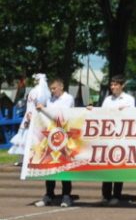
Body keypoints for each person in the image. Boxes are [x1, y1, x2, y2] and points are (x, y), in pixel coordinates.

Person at [33, 78, 75, 207]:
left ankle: (66, 196)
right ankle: (49, 194)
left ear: (61, 87)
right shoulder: (50, 100)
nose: (52, 91)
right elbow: (46, 118)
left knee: (64, 166)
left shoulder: (68, 99)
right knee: (49, 164)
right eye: (51, 89)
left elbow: (61, 117)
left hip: (65, 136)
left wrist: (44, 109)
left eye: (54, 88)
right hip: (51, 136)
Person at [98, 74, 135, 205]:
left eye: (115, 84)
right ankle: (106, 194)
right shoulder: (107, 100)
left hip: (122, 137)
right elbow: (101, 115)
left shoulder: (129, 99)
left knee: (118, 166)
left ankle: (117, 194)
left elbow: (132, 116)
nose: (113, 87)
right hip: (108, 136)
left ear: (122, 85)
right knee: (106, 165)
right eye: (112, 84)